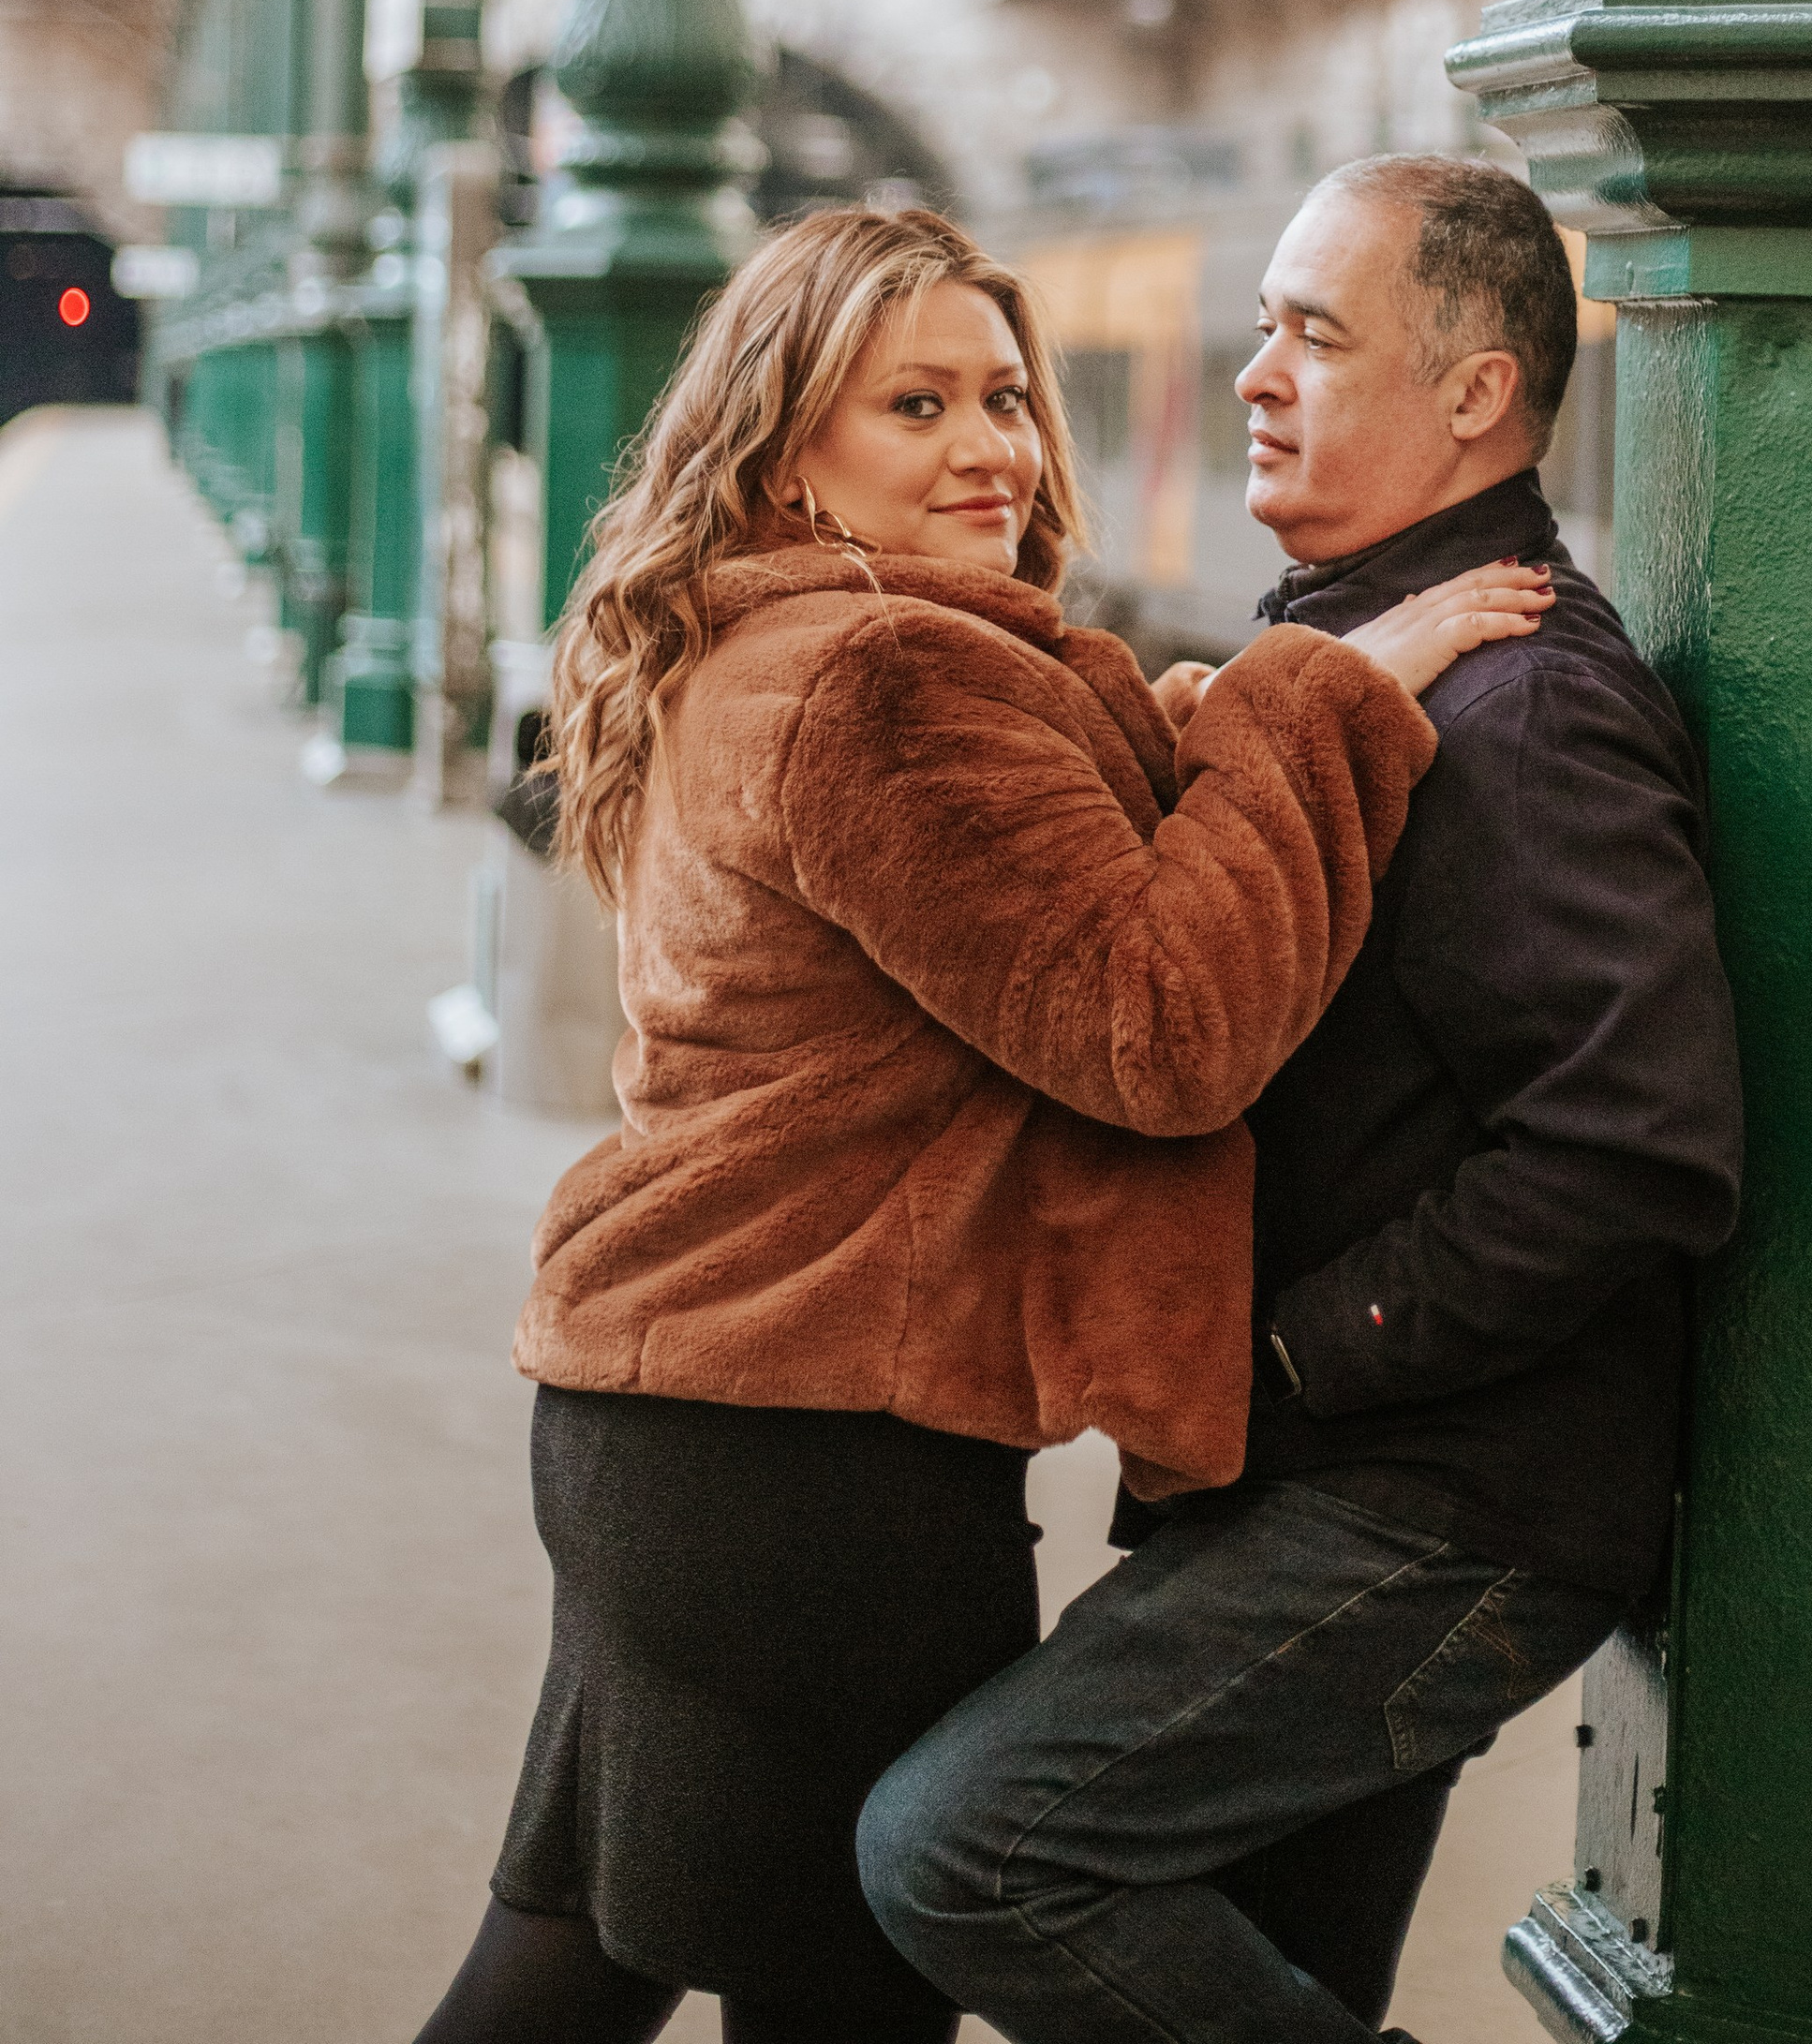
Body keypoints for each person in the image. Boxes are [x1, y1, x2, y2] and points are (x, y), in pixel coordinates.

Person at [410, 200, 1552, 2044]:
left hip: (670, 1423)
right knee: (841, 1996)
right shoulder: (883, 678)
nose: (990, 448)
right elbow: (1155, 1028)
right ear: (788, 453)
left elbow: (1010, 894)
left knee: (575, 1953)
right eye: (913, 407)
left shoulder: (765, 647)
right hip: (813, 1469)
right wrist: (1314, 704)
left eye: (1004, 398)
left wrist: (1190, 739)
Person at [859, 156, 1744, 2044]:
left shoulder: (1519, 715)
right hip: (1338, 1477)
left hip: (1439, 1499)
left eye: (1311, 336)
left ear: (1474, 394)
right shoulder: (1358, 651)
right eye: (1258, 326)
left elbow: (1632, 1145)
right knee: (1266, 1972)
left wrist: (1287, 1357)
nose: (1258, 373)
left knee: (963, 1850)